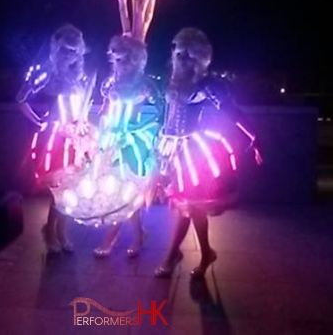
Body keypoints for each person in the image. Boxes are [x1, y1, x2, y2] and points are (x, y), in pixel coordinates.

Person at [154, 28, 262, 279]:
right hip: (174, 153)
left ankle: (174, 256)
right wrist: (159, 145)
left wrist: (253, 136)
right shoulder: (171, 82)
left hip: (197, 153)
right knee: (189, 208)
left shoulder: (207, 84)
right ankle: (203, 254)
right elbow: (166, 119)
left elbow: (232, 112)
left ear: (199, 57)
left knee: (190, 207)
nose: (181, 58)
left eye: (188, 54)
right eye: (178, 52)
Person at [16, 24, 91, 255]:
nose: (70, 55)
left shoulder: (80, 76)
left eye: (74, 50)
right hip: (55, 139)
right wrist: (39, 121)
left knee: (70, 190)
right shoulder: (46, 74)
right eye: (65, 50)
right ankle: (50, 231)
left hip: (75, 138)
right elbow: (21, 98)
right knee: (60, 189)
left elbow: (83, 106)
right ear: (56, 49)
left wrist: (83, 125)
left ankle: (57, 231)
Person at [93, 34, 163, 258]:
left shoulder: (145, 84)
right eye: (114, 58)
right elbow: (104, 108)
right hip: (112, 141)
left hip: (133, 144)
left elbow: (162, 110)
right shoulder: (110, 82)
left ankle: (113, 237)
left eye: (122, 59)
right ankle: (138, 234)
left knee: (129, 190)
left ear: (135, 60)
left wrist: (139, 129)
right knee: (118, 191)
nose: (116, 63)